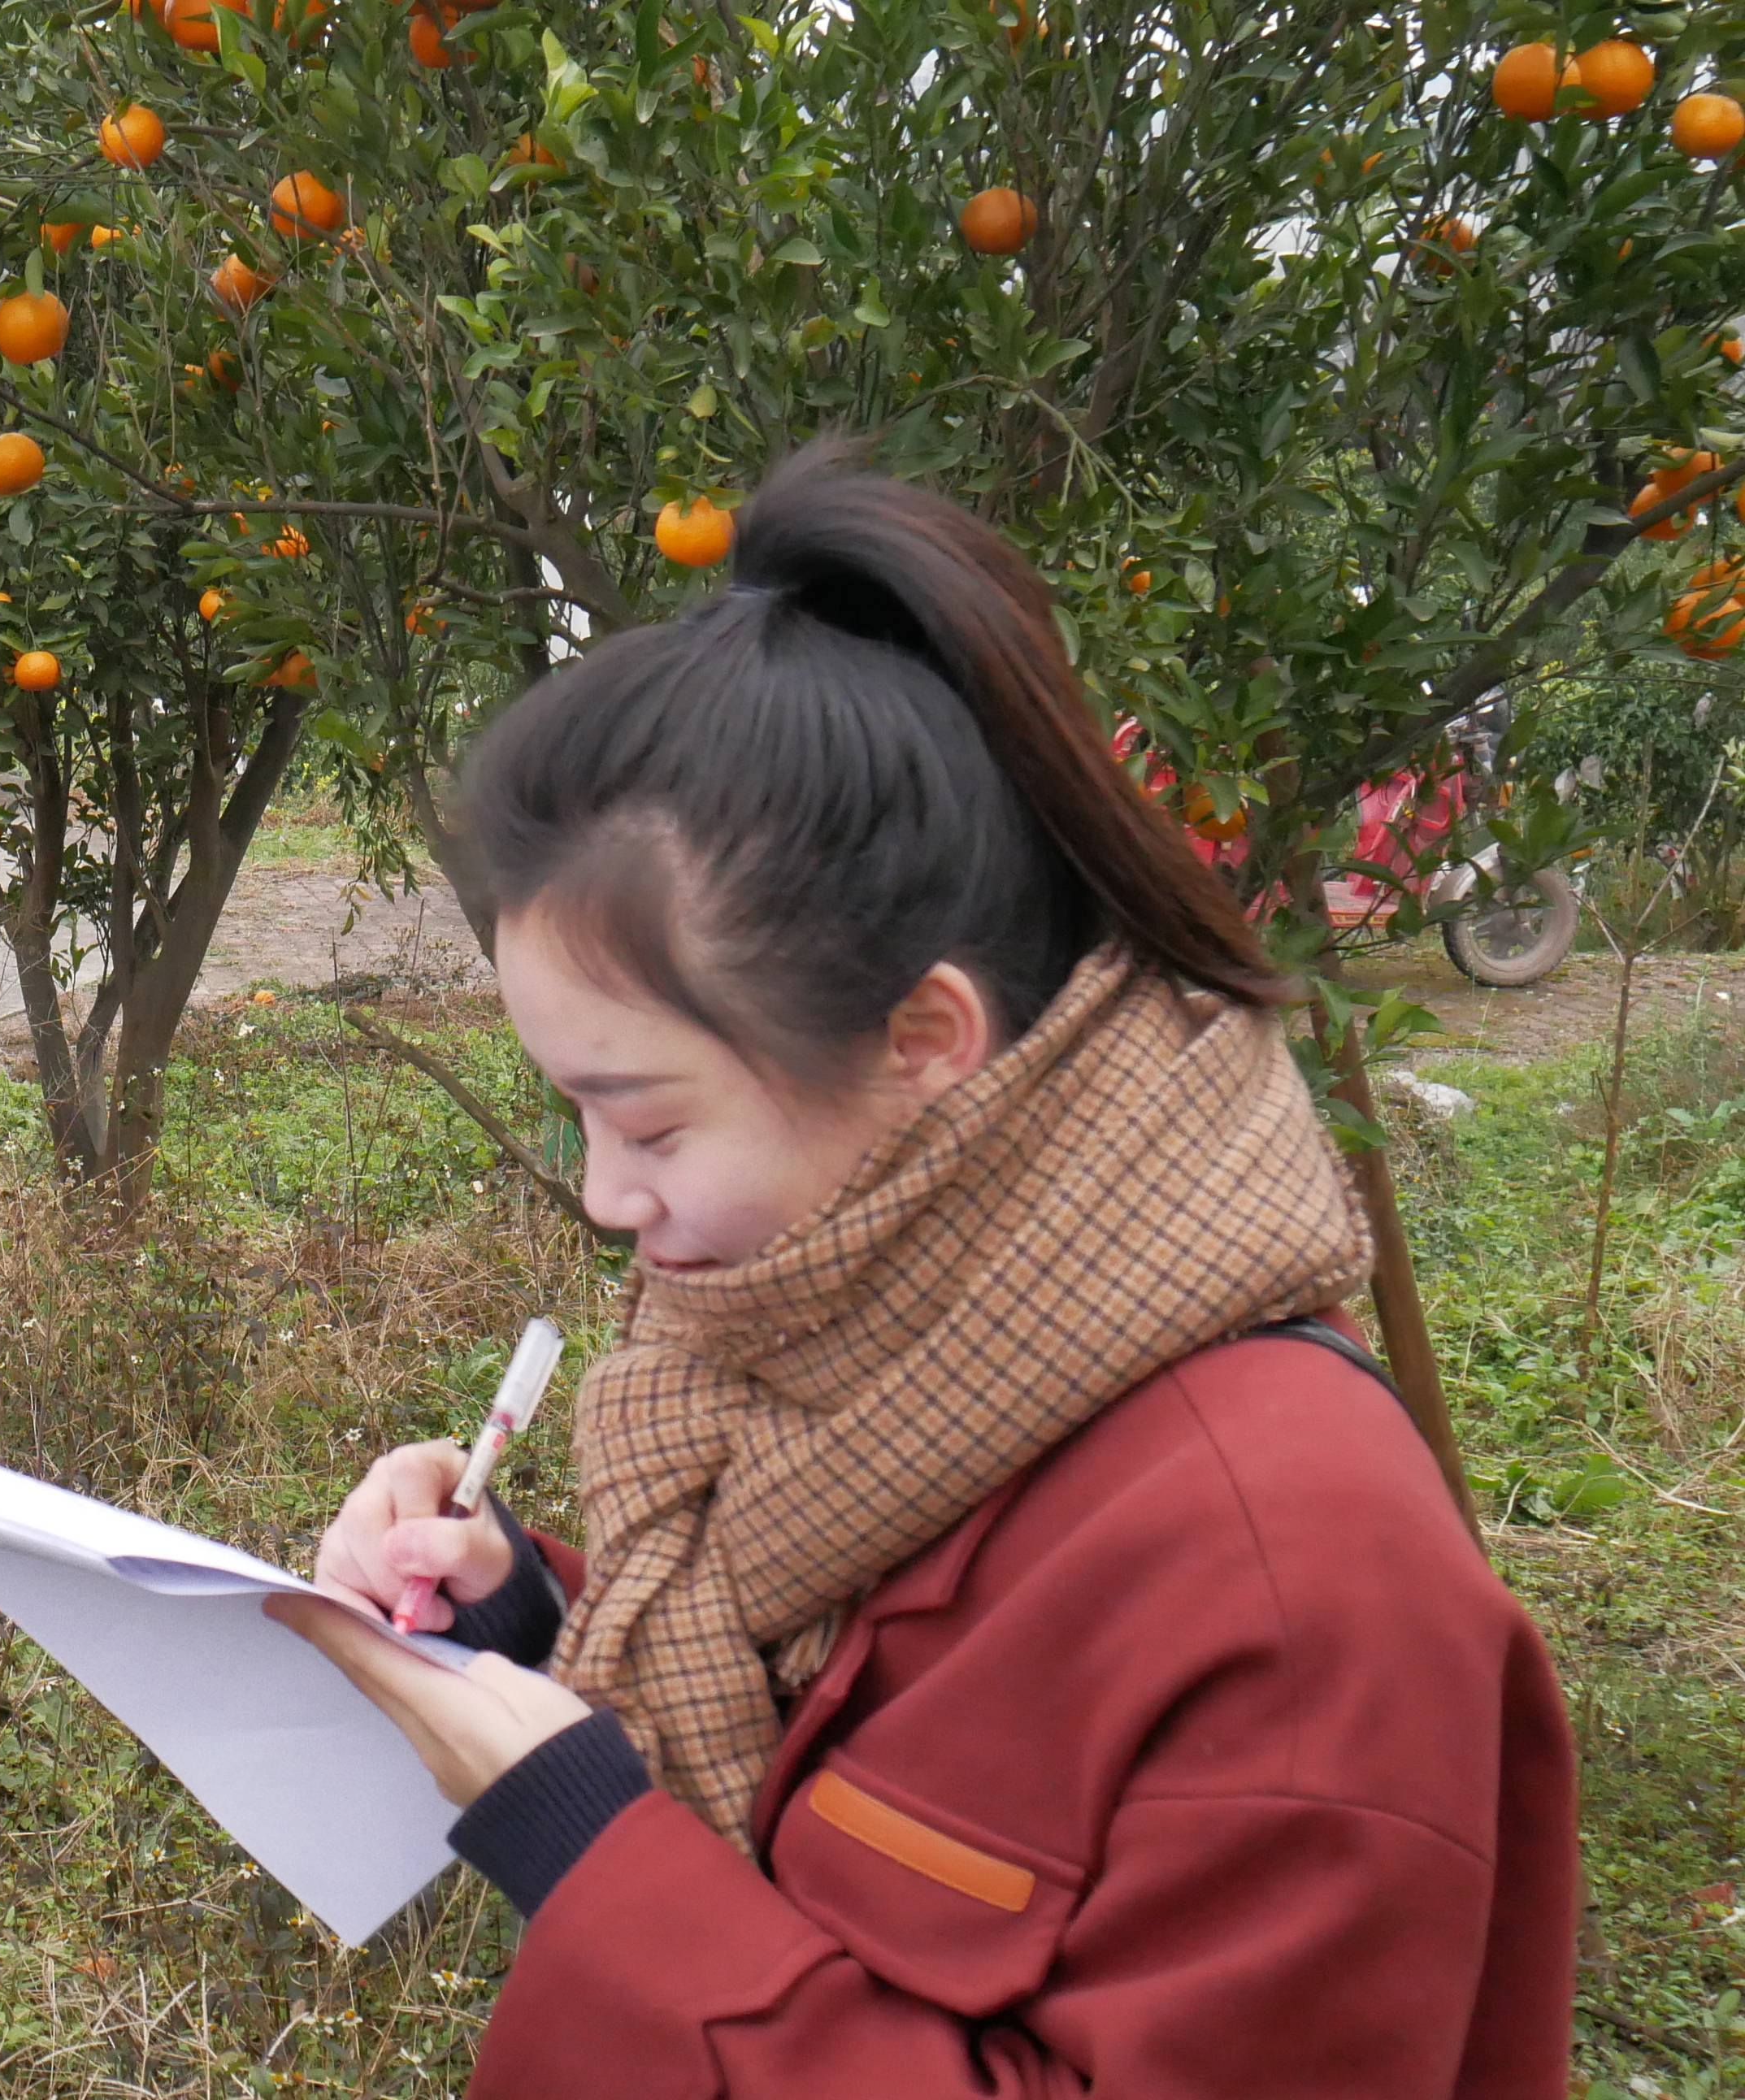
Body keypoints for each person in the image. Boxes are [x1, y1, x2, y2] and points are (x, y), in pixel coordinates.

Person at [268, 453, 1576, 2097]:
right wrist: (527, 1622)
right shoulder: (885, 1373)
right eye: (573, 1110)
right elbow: (830, 1726)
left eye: (648, 1118)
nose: (607, 1198)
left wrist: (591, 1845)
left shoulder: (1297, 1589)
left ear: (921, 1041)